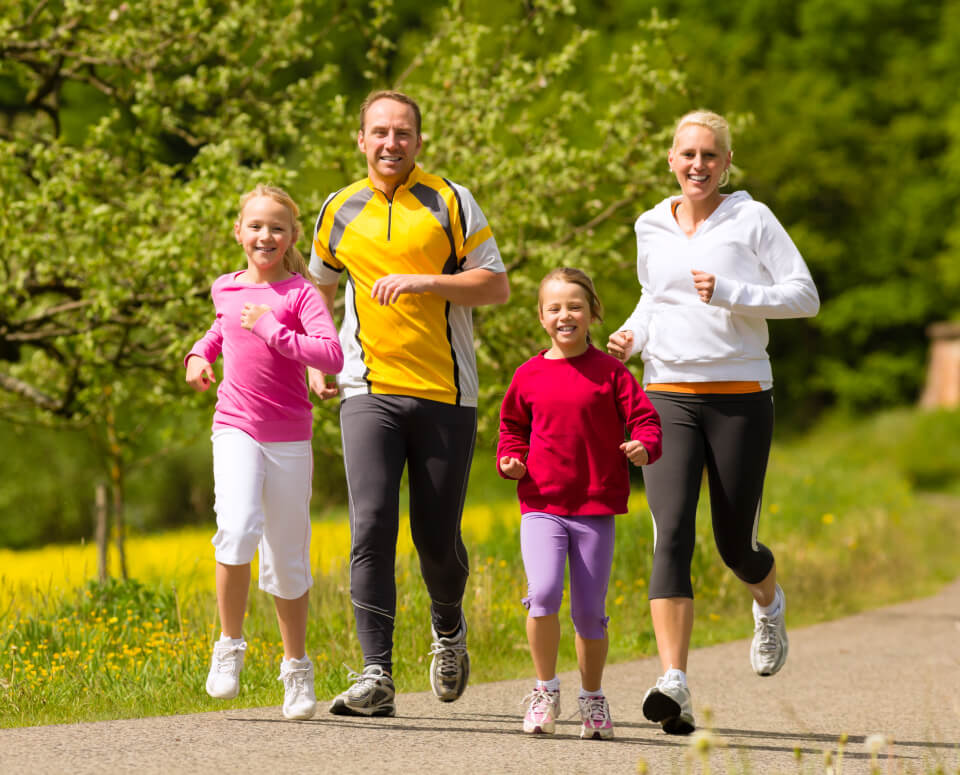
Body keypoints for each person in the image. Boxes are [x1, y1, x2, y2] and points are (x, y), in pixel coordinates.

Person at [607, 110, 820, 735]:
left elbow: (804, 295)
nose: (697, 165)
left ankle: (768, 600)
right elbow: (655, 296)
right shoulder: (650, 223)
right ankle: (672, 679)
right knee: (669, 532)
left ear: (727, 164)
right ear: (671, 159)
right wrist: (633, 334)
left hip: (740, 394)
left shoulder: (752, 218)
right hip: (666, 392)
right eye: (687, 154)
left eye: (710, 156)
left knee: (734, 543)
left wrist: (733, 291)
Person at [307, 90, 510, 717]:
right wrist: (319, 356)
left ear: (418, 141)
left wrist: (427, 282)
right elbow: (316, 285)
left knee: (436, 538)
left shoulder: (450, 199)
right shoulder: (338, 208)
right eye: (379, 132)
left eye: (403, 133)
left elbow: (496, 285)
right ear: (360, 139)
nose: (391, 143)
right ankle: (377, 674)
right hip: (368, 389)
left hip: (446, 393)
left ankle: (447, 629)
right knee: (370, 526)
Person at [185, 184, 343, 720]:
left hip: (290, 435)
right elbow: (221, 329)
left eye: (277, 228)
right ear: (238, 231)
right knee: (236, 525)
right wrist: (198, 355)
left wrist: (274, 330)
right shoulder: (224, 288)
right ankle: (229, 645)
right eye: (255, 226)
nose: (265, 236)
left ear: (292, 236)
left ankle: (296, 667)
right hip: (234, 424)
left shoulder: (300, 295)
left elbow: (330, 352)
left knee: (286, 556)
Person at [498, 267, 662, 739]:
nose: (565, 315)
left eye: (575, 306)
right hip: (542, 504)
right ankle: (545, 690)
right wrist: (510, 459)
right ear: (541, 317)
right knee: (544, 593)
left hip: (594, 507)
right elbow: (511, 430)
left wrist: (644, 446)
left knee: (589, 612)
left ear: (592, 313)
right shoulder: (528, 375)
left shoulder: (612, 373)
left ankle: (592, 698)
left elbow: (646, 420)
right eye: (554, 308)